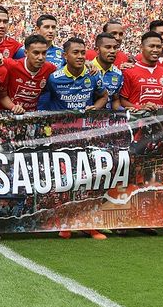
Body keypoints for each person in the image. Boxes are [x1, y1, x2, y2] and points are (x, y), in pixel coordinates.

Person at [44, 37, 107, 240]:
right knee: (64, 181)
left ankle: (89, 225)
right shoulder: (54, 78)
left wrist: (95, 108)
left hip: (87, 136)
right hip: (61, 138)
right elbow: (43, 105)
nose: (80, 56)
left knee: (88, 180)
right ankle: (64, 222)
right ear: (65, 56)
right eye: (76, 52)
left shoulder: (93, 76)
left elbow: (103, 96)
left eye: (83, 53)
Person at [4, 34, 57, 112]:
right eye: (36, 53)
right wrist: (13, 107)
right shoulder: (11, 65)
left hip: (31, 116)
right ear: (26, 53)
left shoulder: (50, 68)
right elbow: (2, 96)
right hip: (9, 114)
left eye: (44, 53)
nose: (40, 57)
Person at [120, 31, 163, 111]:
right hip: (136, 121)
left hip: (159, 121)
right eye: (151, 46)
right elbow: (122, 101)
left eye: (158, 47)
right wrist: (141, 108)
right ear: (141, 47)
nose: (155, 50)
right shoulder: (128, 71)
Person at [92, 32, 124, 110]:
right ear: (97, 50)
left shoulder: (118, 74)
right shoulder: (87, 69)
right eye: (108, 47)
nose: (112, 51)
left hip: (107, 121)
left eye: (115, 48)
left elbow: (115, 99)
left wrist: (124, 110)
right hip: (86, 119)